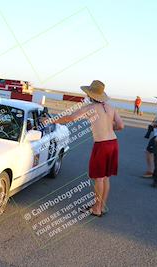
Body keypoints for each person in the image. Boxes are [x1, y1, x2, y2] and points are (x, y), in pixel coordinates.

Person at [53, 80, 124, 217]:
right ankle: (101, 206)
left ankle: (96, 209)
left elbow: (70, 118)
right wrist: (109, 127)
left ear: (90, 95)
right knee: (105, 178)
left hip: (102, 145)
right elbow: (121, 125)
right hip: (113, 143)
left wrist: (51, 120)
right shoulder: (110, 107)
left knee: (98, 178)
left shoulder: (90, 108)